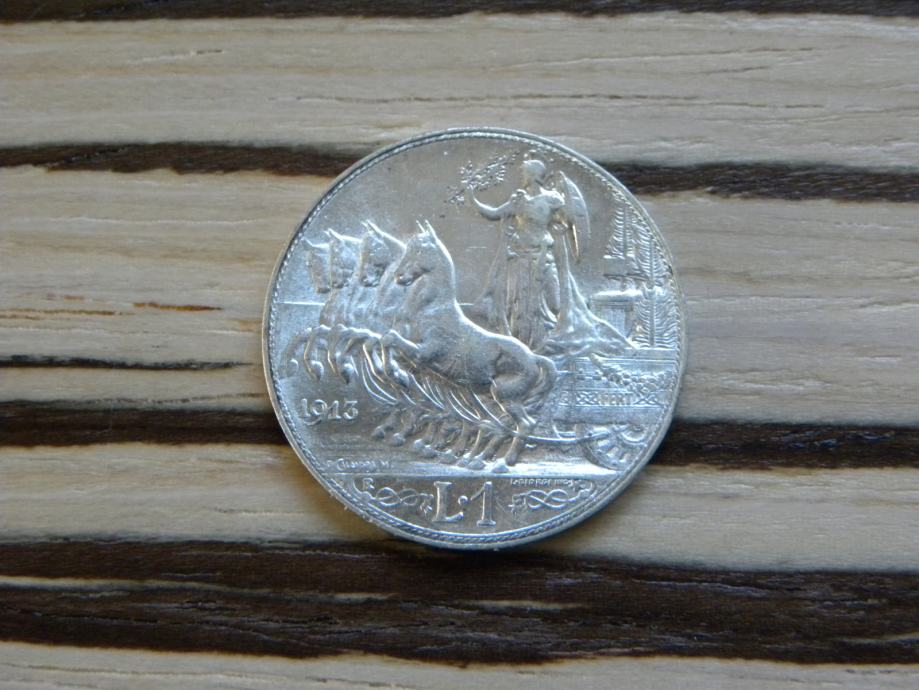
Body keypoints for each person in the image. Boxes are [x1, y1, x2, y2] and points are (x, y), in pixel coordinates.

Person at [467, 158, 627, 356]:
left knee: (554, 303)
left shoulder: (552, 199)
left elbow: (569, 220)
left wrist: (566, 212)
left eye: (524, 172)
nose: (521, 176)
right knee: (517, 304)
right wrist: (472, 198)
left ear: (533, 175)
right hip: (520, 260)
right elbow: (493, 213)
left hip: (544, 257)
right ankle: (522, 348)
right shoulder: (519, 200)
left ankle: (547, 342)